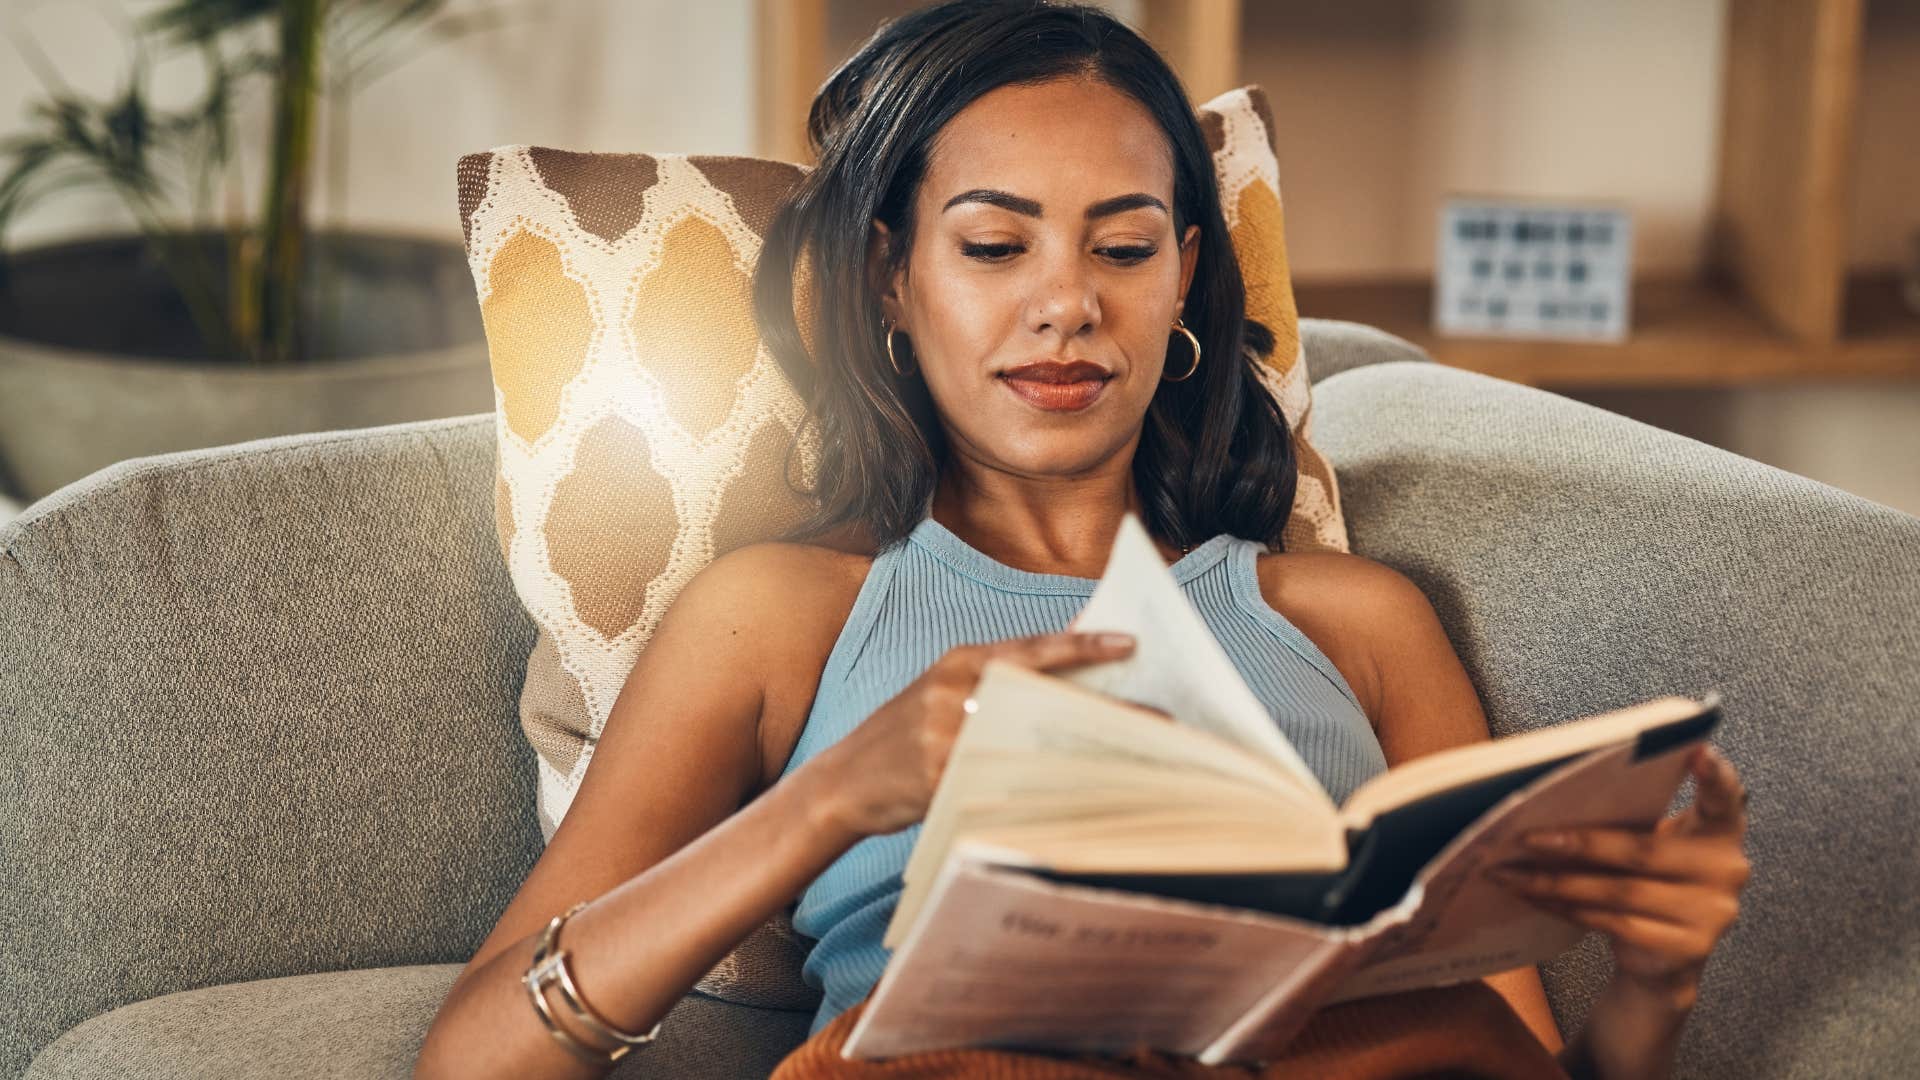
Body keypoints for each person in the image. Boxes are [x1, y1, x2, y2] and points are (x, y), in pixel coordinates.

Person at [414, 3, 1751, 1077]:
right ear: (893, 276)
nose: (1065, 304)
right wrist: (838, 799)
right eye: (995, 245)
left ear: (1182, 280)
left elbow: (1500, 1054)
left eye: (1122, 248)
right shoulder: (784, 614)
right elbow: (477, 1060)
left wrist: (1656, 985)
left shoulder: (1353, 617)